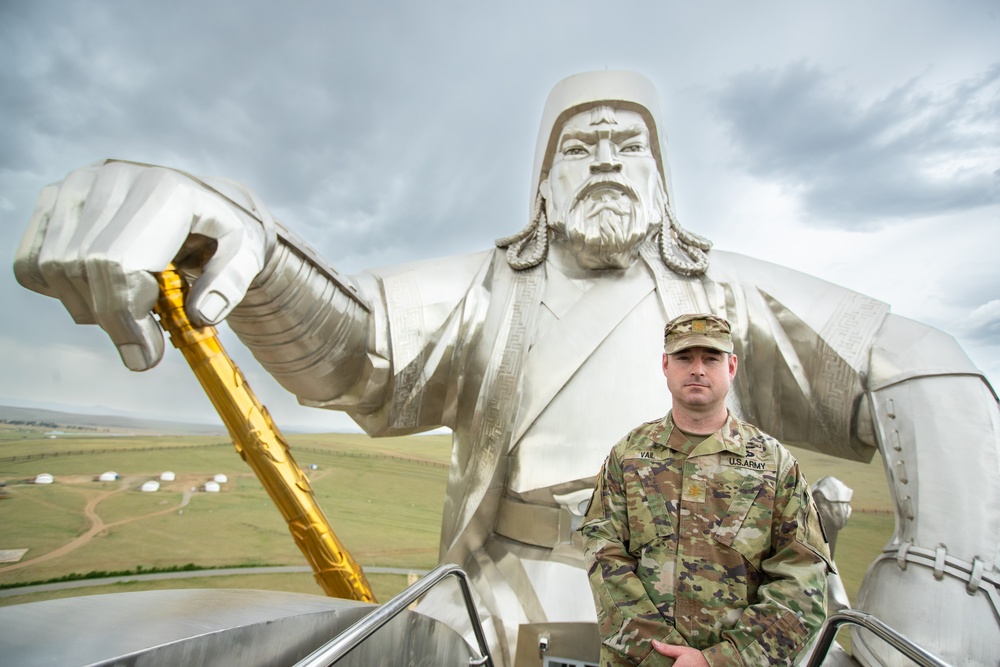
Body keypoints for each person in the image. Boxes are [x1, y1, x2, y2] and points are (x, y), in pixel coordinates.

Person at [14, 71, 1000, 666]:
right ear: (543, 179)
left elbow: (920, 359)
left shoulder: (725, 291)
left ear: (662, 178)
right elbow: (355, 347)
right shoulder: (493, 289)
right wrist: (248, 243)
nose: (605, 158)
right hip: (506, 593)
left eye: (627, 143)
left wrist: (951, 572)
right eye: (581, 145)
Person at [581, 313, 831, 666]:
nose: (697, 369)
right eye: (684, 358)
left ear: (731, 367)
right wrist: (659, 655)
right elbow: (603, 556)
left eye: (711, 358)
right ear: (665, 365)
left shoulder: (775, 465)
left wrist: (722, 660)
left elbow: (803, 580)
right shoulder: (629, 456)